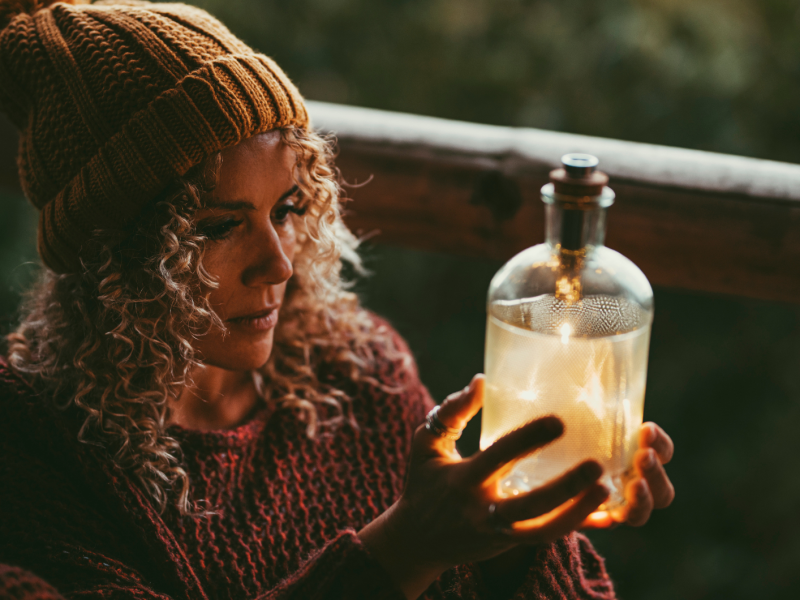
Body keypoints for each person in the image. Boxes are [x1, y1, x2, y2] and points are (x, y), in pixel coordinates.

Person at [0, 1, 675, 599]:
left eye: (289, 208)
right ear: (109, 251)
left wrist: (519, 532)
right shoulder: (34, 444)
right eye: (217, 226)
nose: (280, 261)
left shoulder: (357, 369)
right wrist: (404, 551)